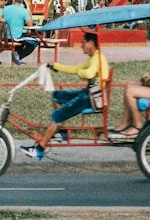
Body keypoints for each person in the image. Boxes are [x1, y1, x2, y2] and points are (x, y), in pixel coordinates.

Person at [22, 31, 110, 161]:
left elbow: (89, 74)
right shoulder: (94, 57)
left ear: (91, 43)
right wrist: (55, 66)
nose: (81, 46)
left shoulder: (97, 58)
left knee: (57, 115)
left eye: (83, 43)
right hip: (88, 94)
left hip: (91, 98)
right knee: (56, 95)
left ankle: (39, 150)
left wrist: (81, 73)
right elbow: (75, 69)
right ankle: (62, 131)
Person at [3, 0, 38, 64]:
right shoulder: (23, 11)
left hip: (5, 36)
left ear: (13, 0)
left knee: (23, 38)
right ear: (22, 1)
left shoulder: (6, 9)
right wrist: (29, 14)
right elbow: (30, 24)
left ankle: (17, 58)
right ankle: (18, 56)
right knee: (34, 42)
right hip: (15, 37)